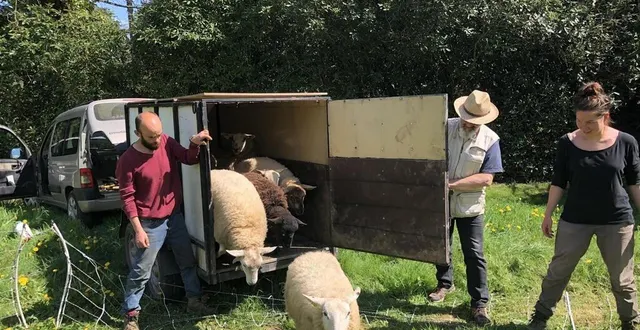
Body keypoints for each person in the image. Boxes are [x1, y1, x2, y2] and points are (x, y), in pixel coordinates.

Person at [527, 82, 640, 330]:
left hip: (617, 221)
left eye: (590, 122)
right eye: (579, 121)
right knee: (557, 272)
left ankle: (630, 322)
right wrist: (548, 214)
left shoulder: (626, 142)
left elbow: (634, 182)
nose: (583, 127)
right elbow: (558, 182)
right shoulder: (567, 143)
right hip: (574, 220)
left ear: (605, 117)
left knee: (622, 280)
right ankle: (540, 317)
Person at [116, 112, 214, 330]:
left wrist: (194, 143)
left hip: (174, 217)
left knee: (187, 262)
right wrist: (138, 230)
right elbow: (127, 198)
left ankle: (194, 301)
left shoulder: (167, 142)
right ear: (137, 134)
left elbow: (189, 158)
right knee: (141, 271)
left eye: (159, 135)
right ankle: (131, 316)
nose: (157, 141)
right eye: (151, 137)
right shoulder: (127, 161)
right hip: (150, 224)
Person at [427, 90, 504, 326]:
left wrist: (451, 184)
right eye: (466, 117)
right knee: (442, 246)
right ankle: (444, 285)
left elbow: (487, 179)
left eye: (473, 120)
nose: (468, 122)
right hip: (441, 203)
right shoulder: (445, 127)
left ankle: (479, 303)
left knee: (474, 254)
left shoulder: (491, 139)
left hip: (470, 207)